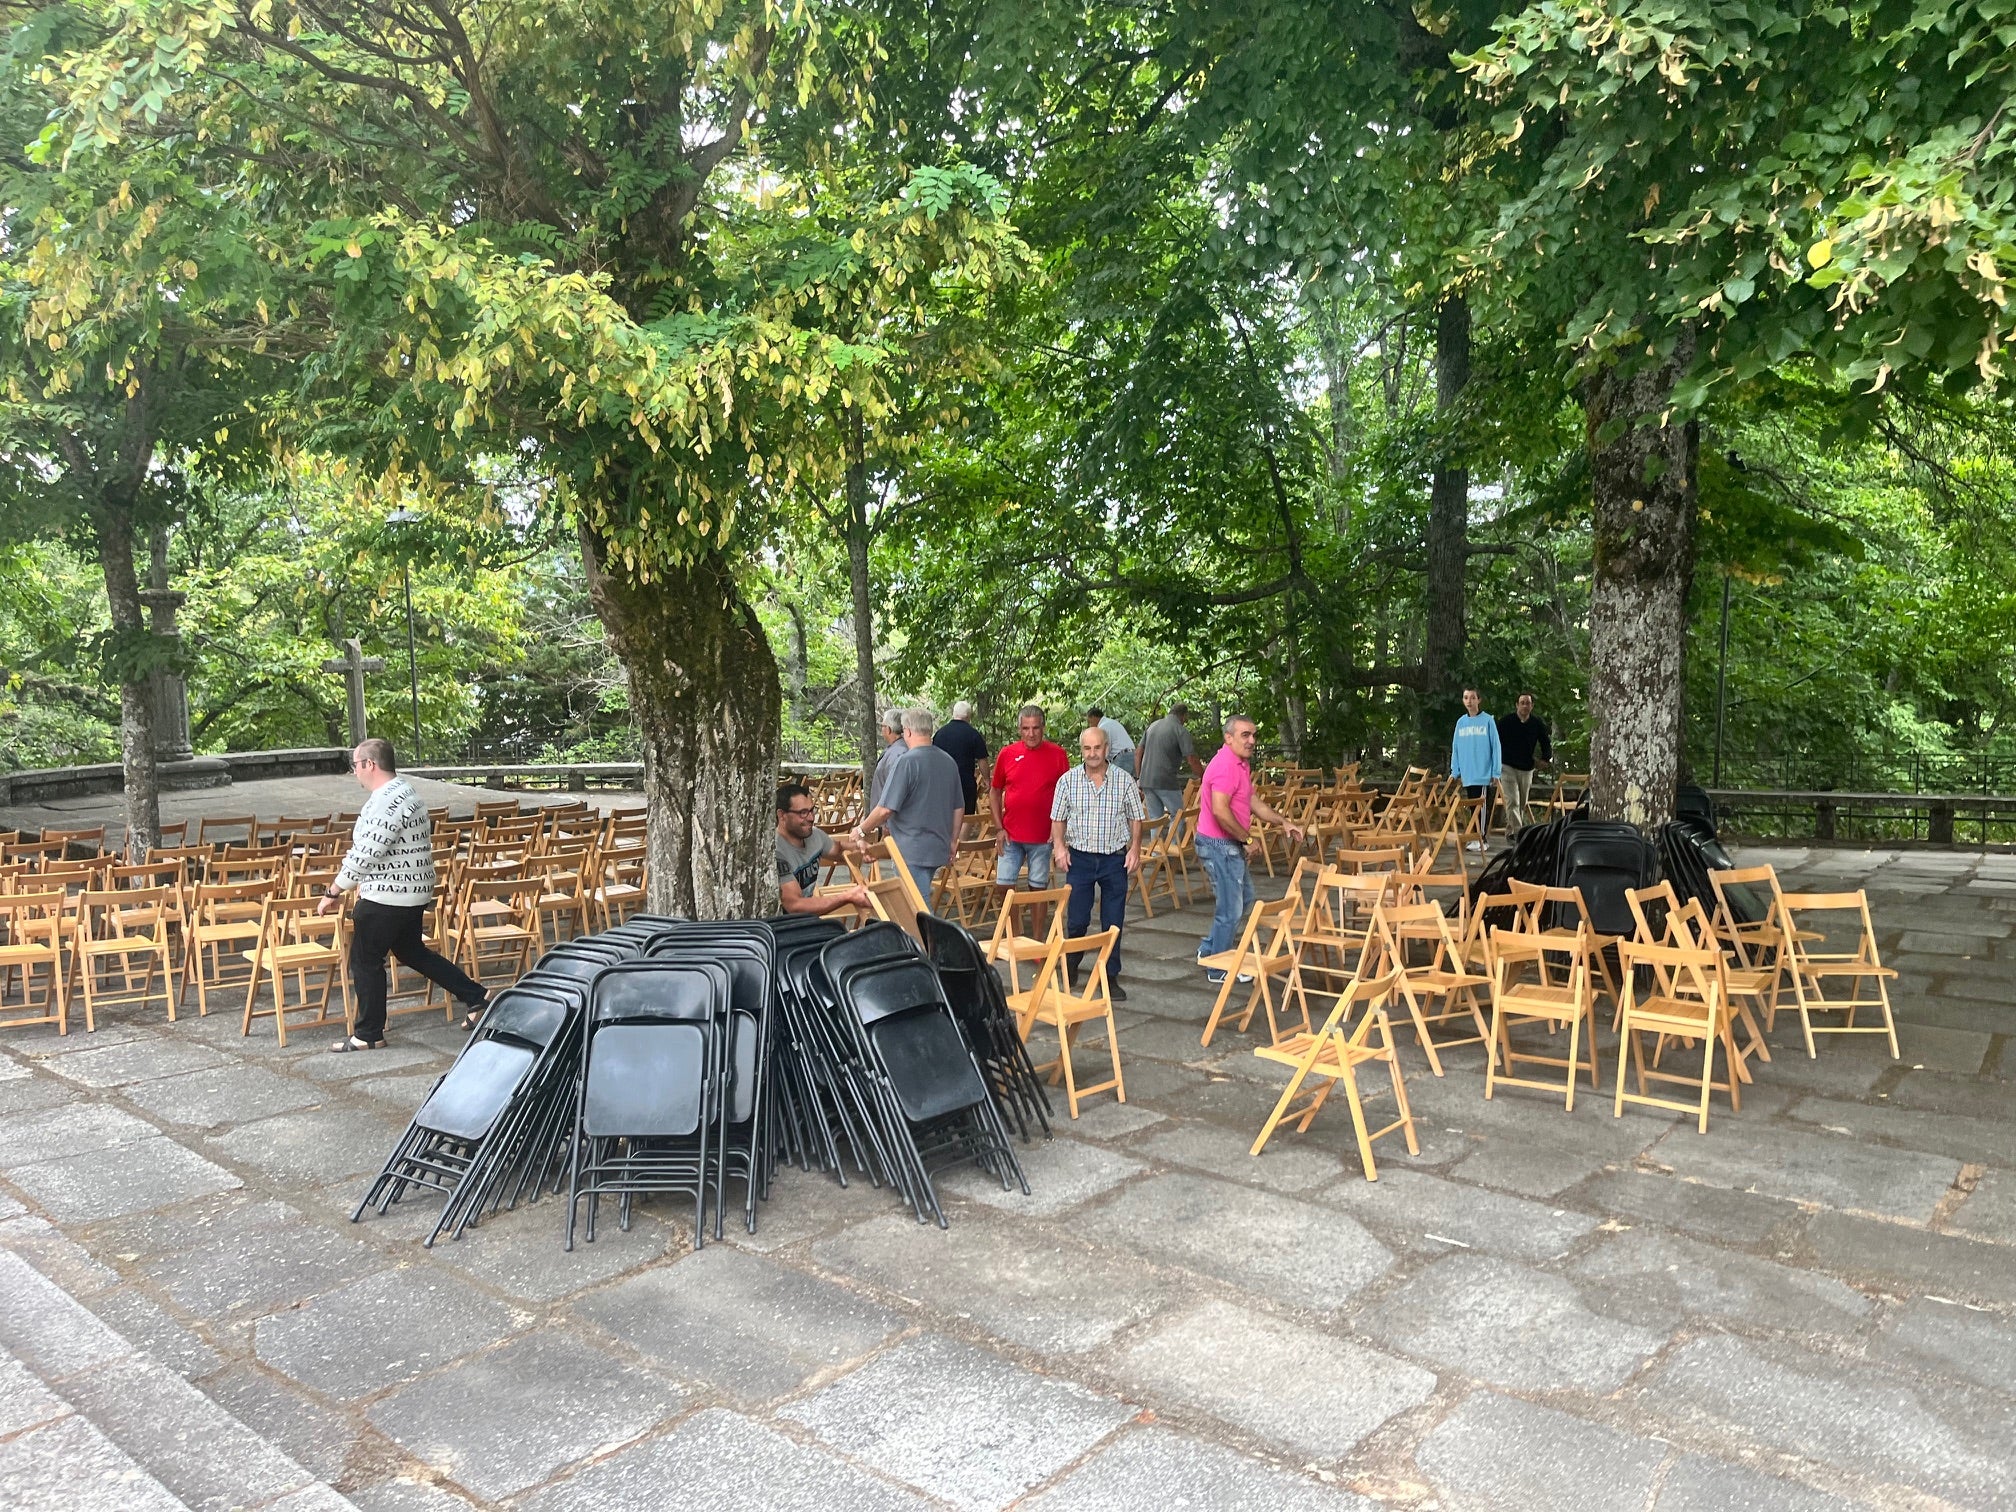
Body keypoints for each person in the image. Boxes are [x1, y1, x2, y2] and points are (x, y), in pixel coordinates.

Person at [316, 738, 488, 1051]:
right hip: (411, 892)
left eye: (355, 765)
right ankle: (477, 997)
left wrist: (334, 890)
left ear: (369, 764)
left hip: (388, 895)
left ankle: (368, 1034)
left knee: (365, 960)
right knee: (412, 953)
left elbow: (367, 852)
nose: (354, 772)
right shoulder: (406, 792)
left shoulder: (387, 800)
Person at [1194, 716, 1304, 983]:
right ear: (1228, 738)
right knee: (1231, 908)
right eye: (1245, 735)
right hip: (1219, 845)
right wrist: (1246, 840)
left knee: (1243, 899)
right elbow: (1221, 811)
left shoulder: (1239, 764)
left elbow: (1252, 801)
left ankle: (1209, 950)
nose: (1252, 741)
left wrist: (1283, 822)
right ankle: (1219, 968)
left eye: (1253, 735)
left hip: (1227, 844)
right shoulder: (1225, 766)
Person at [1050, 727, 1145, 1000]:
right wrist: (1059, 847)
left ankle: (1110, 976)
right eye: (1087, 748)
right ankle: (1072, 961)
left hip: (1114, 859)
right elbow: (1058, 818)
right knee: (1078, 919)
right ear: (1081, 750)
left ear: (1107, 748)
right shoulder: (1067, 781)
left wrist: (1135, 848)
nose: (1093, 754)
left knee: (1113, 921)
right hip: (1078, 859)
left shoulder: (1124, 780)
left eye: (1098, 748)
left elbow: (1135, 817)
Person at [854, 709, 965, 901]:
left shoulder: (906, 762)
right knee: (919, 900)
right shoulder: (949, 761)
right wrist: (953, 840)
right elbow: (958, 807)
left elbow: (885, 809)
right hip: (938, 844)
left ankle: (937, 933)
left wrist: (862, 830)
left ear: (908, 732)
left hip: (911, 849)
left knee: (916, 907)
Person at [990, 705, 1071, 896]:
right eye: (1026, 728)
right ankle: (1014, 927)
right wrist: (998, 827)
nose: (1031, 733)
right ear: (1019, 729)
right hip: (1011, 834)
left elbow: (1068, 796)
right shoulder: (1007, 753)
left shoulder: (1058, 754)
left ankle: (1038, 928)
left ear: (1043, 728)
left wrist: (1060, 828)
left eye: (1035, 728)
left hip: (1043, 835)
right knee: (1003, 886)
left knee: (1038, 888)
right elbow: (994, 791)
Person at [775, 784, 871, 916]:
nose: (811, 818)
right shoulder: (777, 853)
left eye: (811, 810)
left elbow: (839, 851)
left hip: (806, 920)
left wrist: (860, 847)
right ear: (782, 815)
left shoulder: (814, 835)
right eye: (803, 813)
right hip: (784, 927)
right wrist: (846, 897)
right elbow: (794, 906)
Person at [1450, 686, 1502, 850]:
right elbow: (1456, 748)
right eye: (1466, 698)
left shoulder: (1488, 720)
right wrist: (1455, 770)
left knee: (1482, 807)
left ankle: (1483, 839)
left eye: (1472, 697)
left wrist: (1496, 771)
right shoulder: (1461, 722)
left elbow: (1496, 746)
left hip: (1483, 773)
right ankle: (1475, 837)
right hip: (1468, 773)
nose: (1469, 701)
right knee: (1472, 807)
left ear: (1478, 699)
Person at [1136, 701, 1203, 820]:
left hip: (1146, 780)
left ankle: (1157, 839)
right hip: (1165, 780)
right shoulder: (1180, 730)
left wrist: (1139, 777)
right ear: (1183, 716)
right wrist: (1203, 775)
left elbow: (1138, 752)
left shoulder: (1152, 726)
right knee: (1178, 816)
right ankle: (1174, 840)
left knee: (1155, 819)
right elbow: (1191, 759)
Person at [1497, 692, 1554, 831]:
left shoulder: (1536, 723)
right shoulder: (1506, 722)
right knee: (1512, 801)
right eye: (1522, 703)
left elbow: (1546, 742)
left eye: (1527, 703)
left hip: (1527, 767)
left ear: (1532, 706)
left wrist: (1545, 759)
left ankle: (1511, 832)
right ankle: (1519, 834)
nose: (1524, 706)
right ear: (1517, 705)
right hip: (1507, 765)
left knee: (1522, 802)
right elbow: (1495, 742)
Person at [932, 699, 990, 815]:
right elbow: (982, 760)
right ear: (969, 716)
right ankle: (961, 834)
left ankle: (948, 834)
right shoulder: (973, 734)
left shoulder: (940, 734)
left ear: (953, 714)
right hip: (965, 782)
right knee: (967, 815)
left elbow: (932, 758)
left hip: (943, 782)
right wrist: (987, 779)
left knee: (944, 814)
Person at [866, 707, 907, 814]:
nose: (881, 729)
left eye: (882, 726)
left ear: (888, 729)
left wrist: (886, 822)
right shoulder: (897, 749)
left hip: (889, 820)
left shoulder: (898, 753)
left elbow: (895, 791)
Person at [1085, 706, 1136, 776]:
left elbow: (1105, 751)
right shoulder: (1111, 722)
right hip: (1132, 755)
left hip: (1122, 758)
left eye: (1090, 722)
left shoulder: (1103, 727)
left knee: (1117, 783)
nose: (1090, 725)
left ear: (1094, 717)